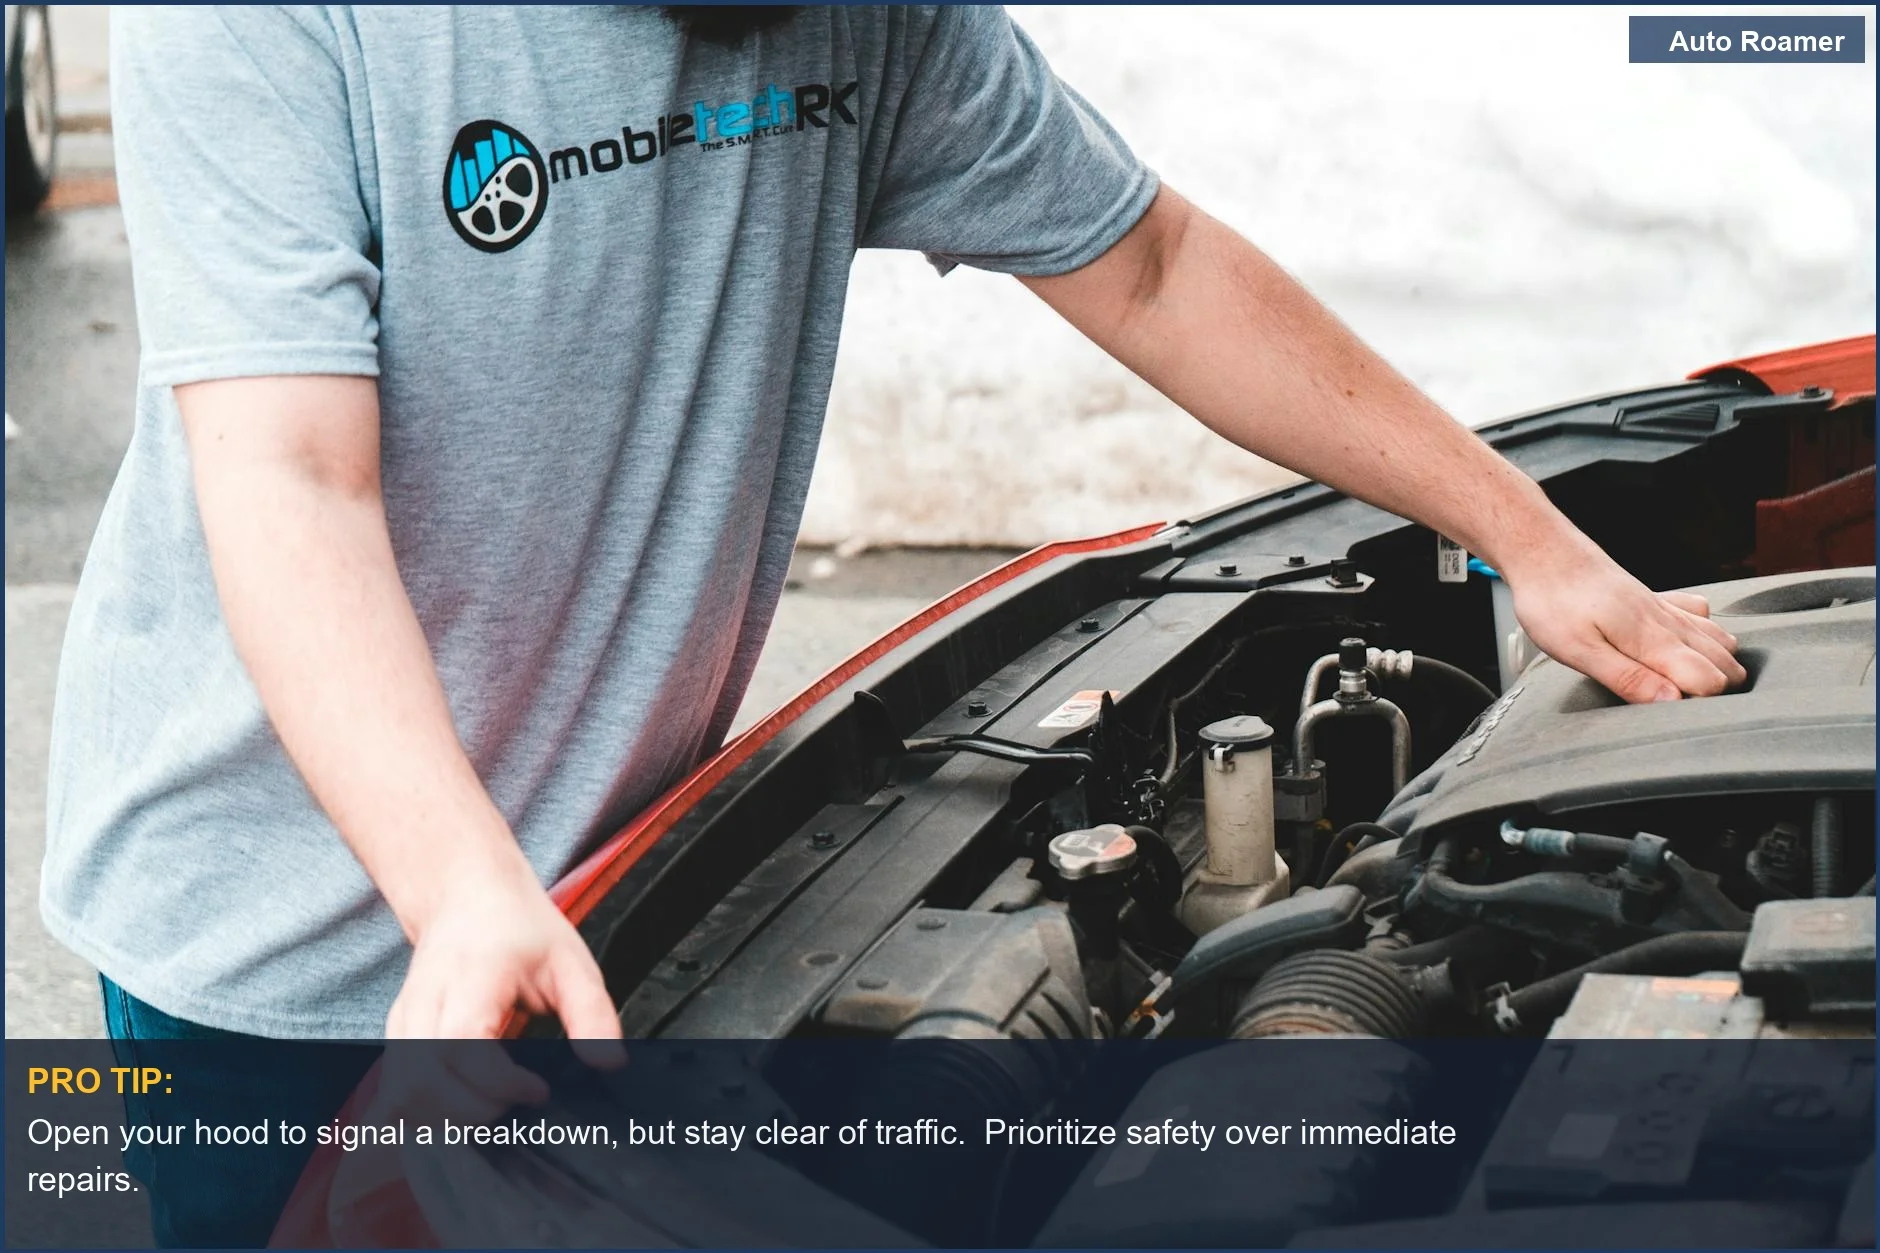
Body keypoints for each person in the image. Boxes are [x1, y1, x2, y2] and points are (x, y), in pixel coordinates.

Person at [42, 5, 1745, 1244]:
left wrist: (1529, 539)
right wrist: (462, 891)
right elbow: (290, 477)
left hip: (625, 881)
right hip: (283, 942)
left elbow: (1148, 264)